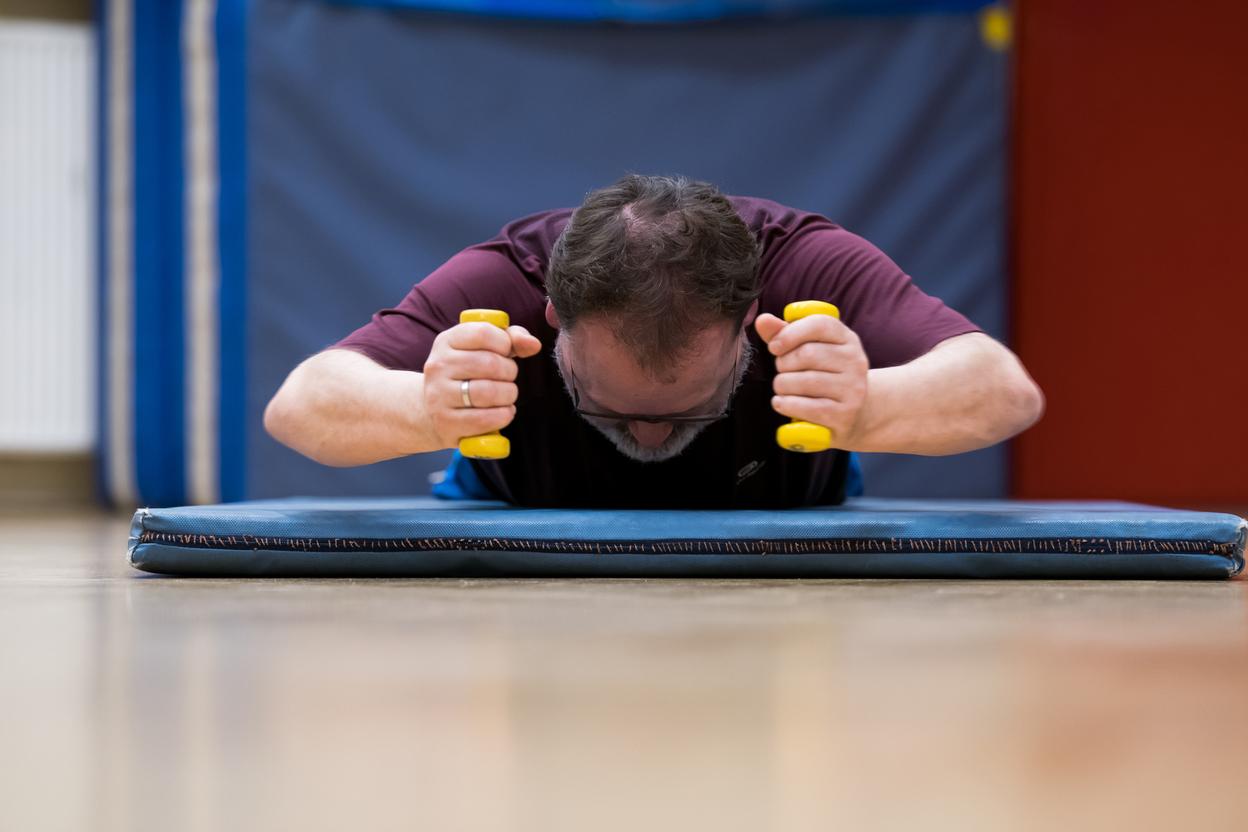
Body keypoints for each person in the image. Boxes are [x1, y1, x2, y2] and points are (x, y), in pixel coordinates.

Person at [264, 175, 1043, 508]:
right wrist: (423, 409)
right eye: (604, 406)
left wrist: (871, 406)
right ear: (553, 317)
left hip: (788, 528)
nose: (645, 433)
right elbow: (298, 406)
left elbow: (1005, 390)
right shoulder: (506, 280)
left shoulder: (803, 264)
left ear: (749, 317)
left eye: (685, 412)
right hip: (516, 519)